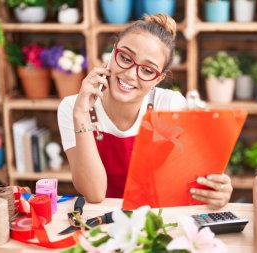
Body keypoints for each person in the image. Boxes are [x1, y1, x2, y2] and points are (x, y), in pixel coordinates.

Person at [58, 14, 233, 209]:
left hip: (155, 220)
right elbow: (94, 193)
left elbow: (194, 181)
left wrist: (218, 191)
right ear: (112, 53)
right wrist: (81, 115)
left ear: (159, 78)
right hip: (99, 221)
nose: (131, 74)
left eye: (148, 70)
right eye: (125, 58)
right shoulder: (73, 107)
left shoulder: (170, 106)